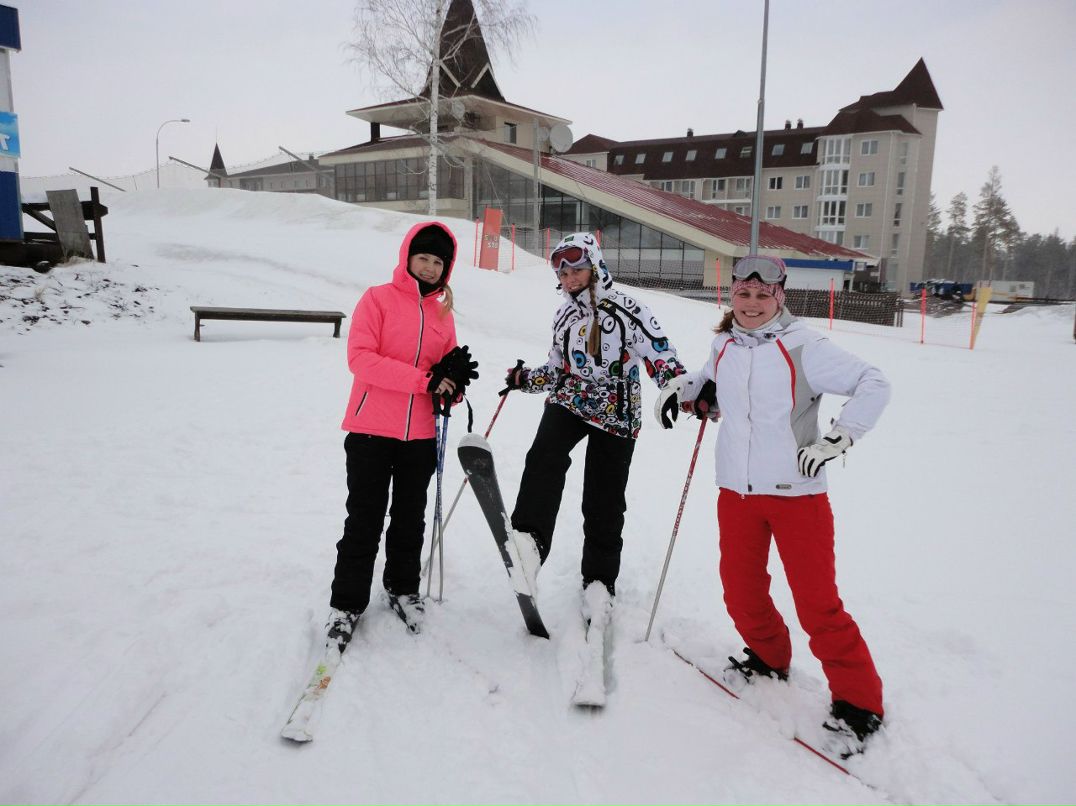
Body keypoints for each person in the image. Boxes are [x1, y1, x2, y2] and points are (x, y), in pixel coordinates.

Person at [658, 254, 891, 758]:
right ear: (732, 295)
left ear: (780, 295)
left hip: (797, 494)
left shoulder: (806, 345)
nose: (753, 303)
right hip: (736, 491)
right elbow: (711, 383)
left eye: (764, 295)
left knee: (817, 604)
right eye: (744, 293)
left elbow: (874, 382)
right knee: (740, 590)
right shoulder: (723, 344)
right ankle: (767, 657)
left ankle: (859, 702)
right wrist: (687, 391)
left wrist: (839, 437)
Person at [500, 232, 687, 616]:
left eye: (577, 269)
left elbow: (660, 352)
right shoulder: (564, 314)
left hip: (616, 411)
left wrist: (675, 388)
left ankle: (599, 581)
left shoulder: (627, 309)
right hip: (570, 399)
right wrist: (525, 379)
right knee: (543, 458)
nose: (569, 279)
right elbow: (556, 367)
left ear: (595, 267)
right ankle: (529, 544)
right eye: (562, 273)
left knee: (603, 498)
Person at [326, 221, 478, 645]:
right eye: (423, 258)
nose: (429, 267)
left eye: (437, 262)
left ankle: (402, 587)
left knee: (410, 519)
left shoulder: (442, 314)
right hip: (371, 429)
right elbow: (361, 359)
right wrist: (423, 380)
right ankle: (346, 604)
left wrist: (453, 385)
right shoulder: (377, 299)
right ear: (407, 256)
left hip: (422, 435)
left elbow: (443, 371)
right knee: (365, 519)